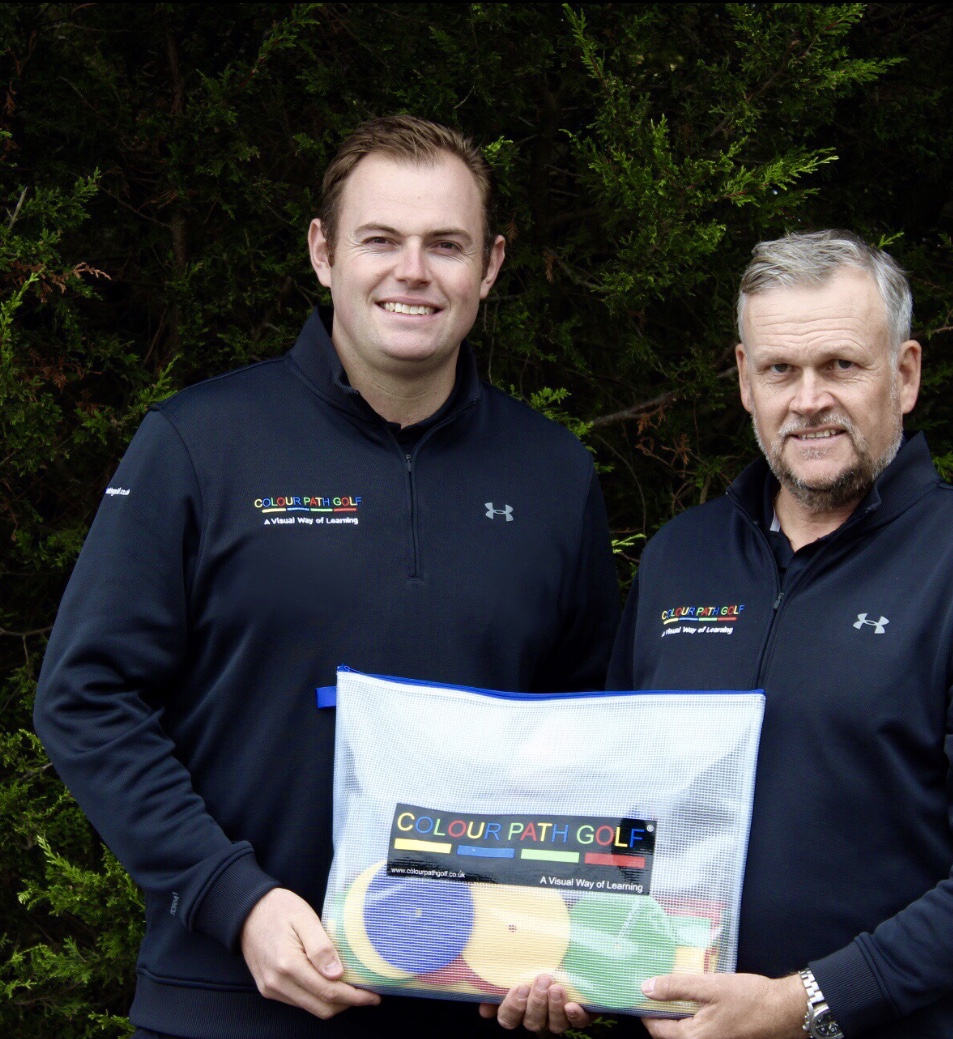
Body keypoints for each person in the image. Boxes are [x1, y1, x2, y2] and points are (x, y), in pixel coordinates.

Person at [34, 115, 620, 1039]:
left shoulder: (552, 473)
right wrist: (234, 898)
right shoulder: (198, 443)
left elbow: (581, 733)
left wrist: (563, 941)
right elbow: (85, 695)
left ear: (491, 265)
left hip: (471, 1004)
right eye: (380, 239)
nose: (412, 271)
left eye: (446, 245)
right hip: (227, 1004)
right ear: (323, 252)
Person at [588, 230, 953, 1039]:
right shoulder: (678, 558)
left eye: (840, 364)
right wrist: (567, 957)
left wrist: (809, 1002)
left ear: (903, 374)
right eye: (780, 370)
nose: (808, 399)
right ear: (745, 379)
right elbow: (617, 806)